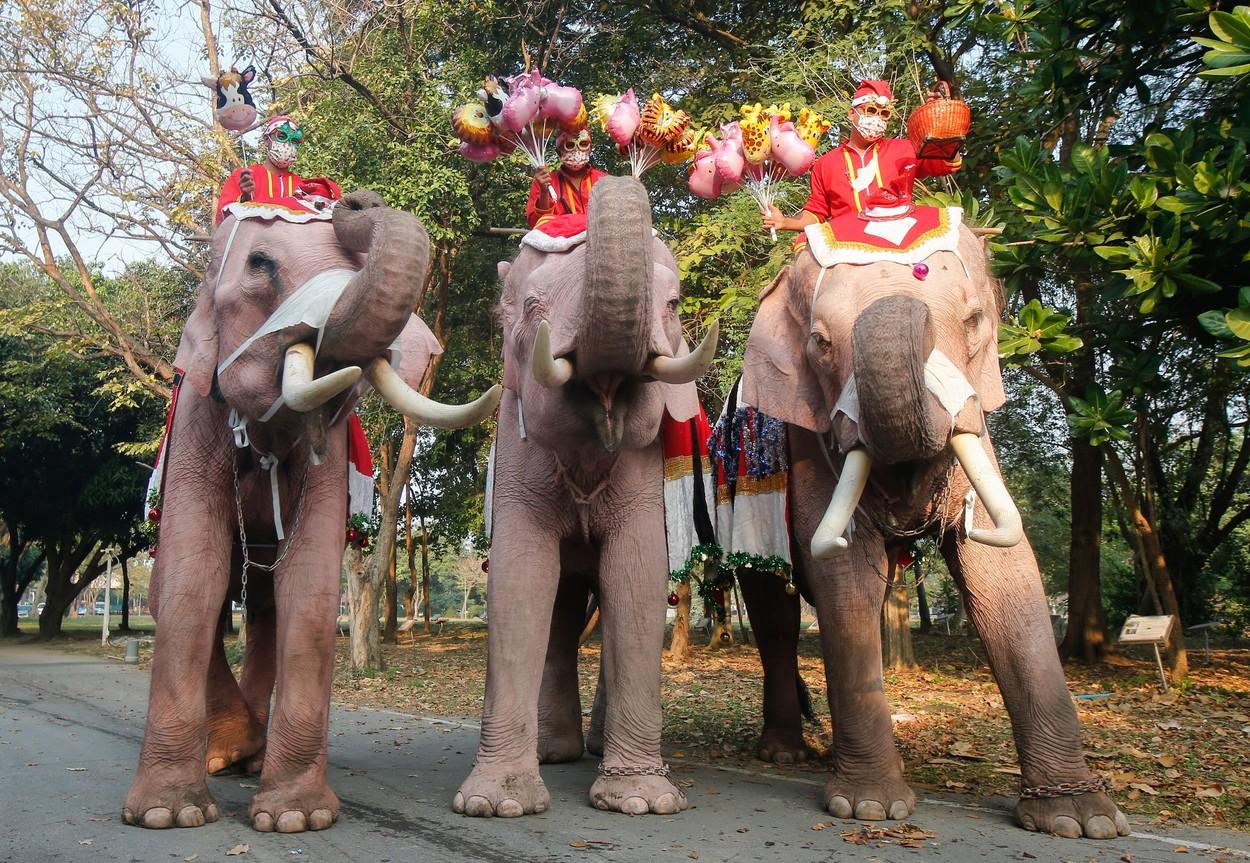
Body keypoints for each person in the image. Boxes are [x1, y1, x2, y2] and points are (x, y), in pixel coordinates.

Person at [762, 80, 962, 233]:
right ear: (851, 114)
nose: (877, 118)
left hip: (902, 230)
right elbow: (817, 212)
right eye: (871, 110)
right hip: (850, 239)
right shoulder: (825, 164)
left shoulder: (904, 149)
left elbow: (947, 162)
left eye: (883, 114)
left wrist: (940, 126)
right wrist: (785, 222)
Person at [215, 115, 342, 223]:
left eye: (294, 141)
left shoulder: (303, 186)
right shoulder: (243, 177)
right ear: (266, 140)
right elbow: (223, 221)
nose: (288, 144)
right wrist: (245, 197)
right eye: (282, 136)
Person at [525, 128, 608, 229]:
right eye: (569, 145)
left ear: (590, 148)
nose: (577, 150)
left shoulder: (604, 180)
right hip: (560, 242)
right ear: (559, 151)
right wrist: (544, 193)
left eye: (583, 144)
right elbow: (537, 224)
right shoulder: (544, 181)